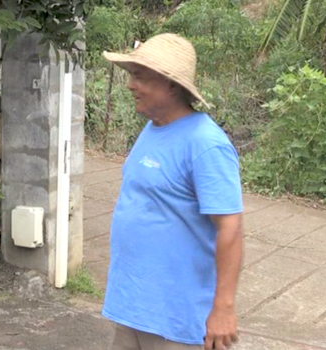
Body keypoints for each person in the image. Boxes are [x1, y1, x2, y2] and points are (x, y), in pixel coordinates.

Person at [100, 33, 244, 350]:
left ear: (171, 85)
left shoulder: (206, 144)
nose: (130, 85)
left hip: (176, 322)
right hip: (132, 310)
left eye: (140, 77)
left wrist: (223, 308)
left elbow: (230, 227)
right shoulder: (152, 129)